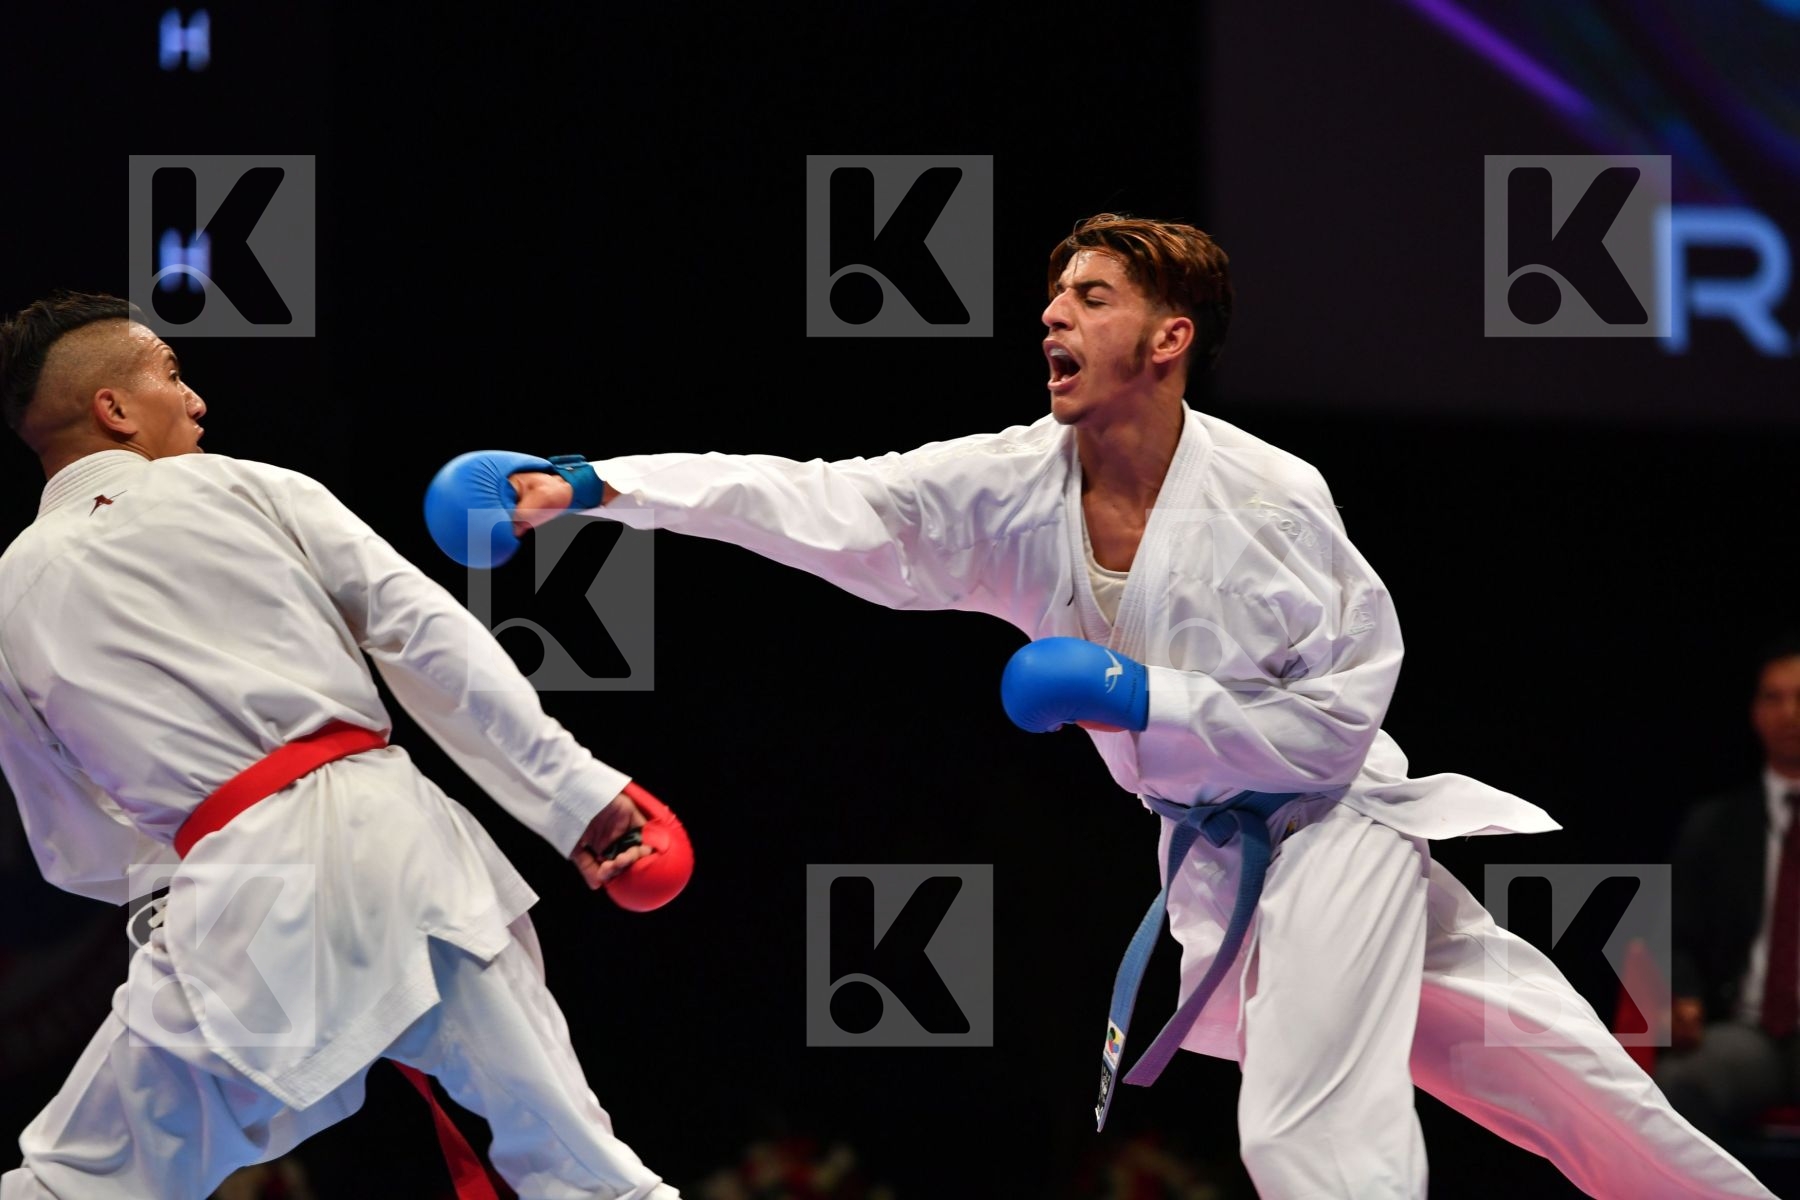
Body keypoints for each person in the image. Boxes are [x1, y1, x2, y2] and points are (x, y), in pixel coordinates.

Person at [428, 213, 1778, 1198]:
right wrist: (600, 485)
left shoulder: (1272, 501)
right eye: (1053, 298)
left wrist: (1143, 690)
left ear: (1168, 338)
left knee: (1308, 1128)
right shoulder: (1014, 484)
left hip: (1335, 827)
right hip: (1215, 849)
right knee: (1556, 1073)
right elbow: (817, 498)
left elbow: (1340, 720)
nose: (1053, 320)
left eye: (1088, 297)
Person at [0, 291, 685, 1200]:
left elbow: (67, 835)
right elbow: (433, 644)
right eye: (171, 373)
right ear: (112, 410)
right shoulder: (250, 486)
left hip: (233, 899)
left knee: (74, 1182)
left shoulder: (12, 591)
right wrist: (577, 797)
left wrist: (186, 873)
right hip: (395, 851)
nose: (197, 400)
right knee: (581, 1170)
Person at [1656, 635, 1800, 1141]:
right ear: (1754, 712)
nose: (1789, 713)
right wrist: (1684, 995)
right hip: (1748, 1032)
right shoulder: (1715, 825)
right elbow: (1674, 932)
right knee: (1679, 1082)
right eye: (1773, 697)